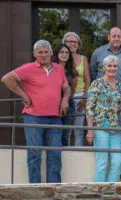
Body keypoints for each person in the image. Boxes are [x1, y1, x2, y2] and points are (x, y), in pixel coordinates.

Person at [1, 40, 71, 183]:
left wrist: (65, 100)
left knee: (55, 156)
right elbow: (6, 79)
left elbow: (67, 88)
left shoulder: (58, 68)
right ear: (35, 54)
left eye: (46, 52)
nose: (44, 55)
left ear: (52, 53)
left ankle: (53, 191)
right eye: (40, 52)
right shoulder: (28, 68)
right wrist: (24, 95)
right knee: (34, 155)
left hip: (55, 118)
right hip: (33, 118)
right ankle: (35, 192)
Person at [86, 55, 121, 182]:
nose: (112, 68)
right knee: (102, 162)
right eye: (109, 65)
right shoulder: (96, 84)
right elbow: (89, 108)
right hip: (100, 128)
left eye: (115, 66)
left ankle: (111, 191)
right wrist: (90, 130)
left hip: (116, 128)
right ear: (104, 67)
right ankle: (99, 191)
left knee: (117, 161)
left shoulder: (120, 86)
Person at [62, 32, 91, 146]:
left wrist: (85, 97)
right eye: (69, 41)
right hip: (65, 97)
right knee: (67, 129)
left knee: (78, 129)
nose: (72, 44)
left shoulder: (83, 59)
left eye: (75, 42)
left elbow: (87, 79)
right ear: (64, 43)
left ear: (78, 45)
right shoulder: (61, 58)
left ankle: (79, 152)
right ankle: (67, 151)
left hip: (80, 96)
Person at [90, 27, 121, 93]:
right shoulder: (98, 52)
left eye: (119, 36)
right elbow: (92, 73)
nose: (116, 39)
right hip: (101, 93)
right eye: (114, 36)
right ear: (108, 37)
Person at [52, 44, 78, 146]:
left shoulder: (72, 70)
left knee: (65, 134)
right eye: (61, 52)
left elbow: (73, 89)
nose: (64, 54)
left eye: (67, 52)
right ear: (56, 54)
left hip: (68, 105)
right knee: (54, 134)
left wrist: (67, 99)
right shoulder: (51, 68)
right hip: (53, 105)